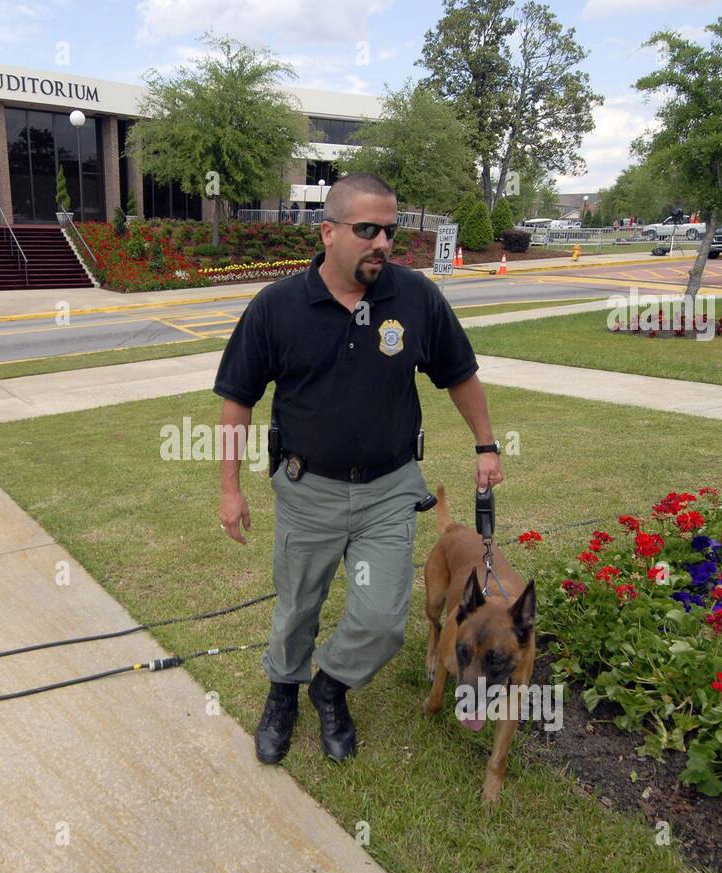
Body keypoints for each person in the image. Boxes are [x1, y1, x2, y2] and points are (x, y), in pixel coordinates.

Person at [213, 172, 504, 765]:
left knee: (381, 621)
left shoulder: (415, 297)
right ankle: (284, 693)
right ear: (328, 231)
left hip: (389, 490)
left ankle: (331, 686)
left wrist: (486, 444)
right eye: (367, 229)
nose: (382, 243)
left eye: (390, 232)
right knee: (298, 606)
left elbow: (459, 373)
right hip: (307, 488)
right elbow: (237, 399)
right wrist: (230, 488)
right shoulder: (278, 307)